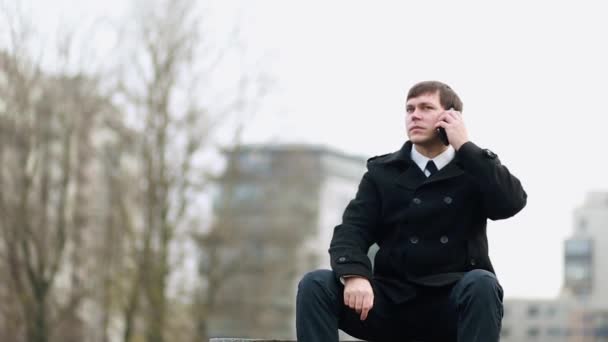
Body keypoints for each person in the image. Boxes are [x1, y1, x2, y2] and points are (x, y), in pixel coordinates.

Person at [296, 81, 527, 342]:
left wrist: (465, 145)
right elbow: (352, 230)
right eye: (409, 109)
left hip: (451, 307)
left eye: (426, 107)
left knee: (483, 283)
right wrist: (355, 275)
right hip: (390, 302)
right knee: (315, 284)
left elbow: (511, 203)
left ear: (451, 117)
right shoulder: (383, 173)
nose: (414, 115)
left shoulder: (475, 168)